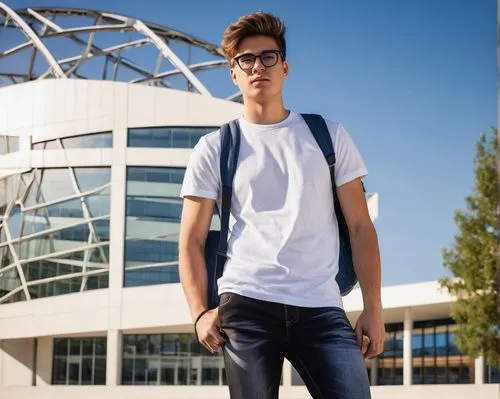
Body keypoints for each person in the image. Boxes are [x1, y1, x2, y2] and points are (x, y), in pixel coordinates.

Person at [178, 11, 384, 399]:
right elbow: (190, 240)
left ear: (285, 67)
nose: (258, 66)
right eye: (246, 60)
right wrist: (198, 313)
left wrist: (373, 306)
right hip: (246, 305)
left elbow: (360, 228)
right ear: (233, 73)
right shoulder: (214, 148)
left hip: (322, 305)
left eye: (268, 57)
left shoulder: (329, 137)